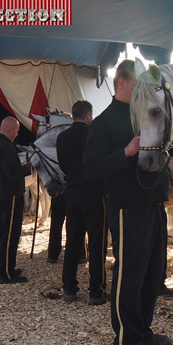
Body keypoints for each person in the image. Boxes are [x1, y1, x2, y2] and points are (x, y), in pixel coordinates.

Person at [83, 60, 171, 345]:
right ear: (121, 82)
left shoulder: (142, 114)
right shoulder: (104, 123)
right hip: (127, 207)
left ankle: (143, 330)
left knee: (151, 273)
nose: (143, 90)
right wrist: (125, 153)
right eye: (137, 84)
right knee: (129, 275)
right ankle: (125, 341)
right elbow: (90, 168)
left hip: (154, 204)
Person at [56, 100, 108, 305]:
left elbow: (62, 165)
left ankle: (69, 289)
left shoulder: (62, 137)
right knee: (97, 244)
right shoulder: (93, 135)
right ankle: (96, 291)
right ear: (88, 115)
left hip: (72, 195)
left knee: (72, 243)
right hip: (94, 194)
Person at [0, 116, 30, 284]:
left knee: (6, 232)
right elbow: (11, 172)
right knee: (10, 234)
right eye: (17, 131)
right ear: (10, 130)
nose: (17, 135)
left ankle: (9, 268)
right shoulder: (5, 147)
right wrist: (28, 166)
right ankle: (6, 273)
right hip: (10, 194)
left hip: (1, 193)